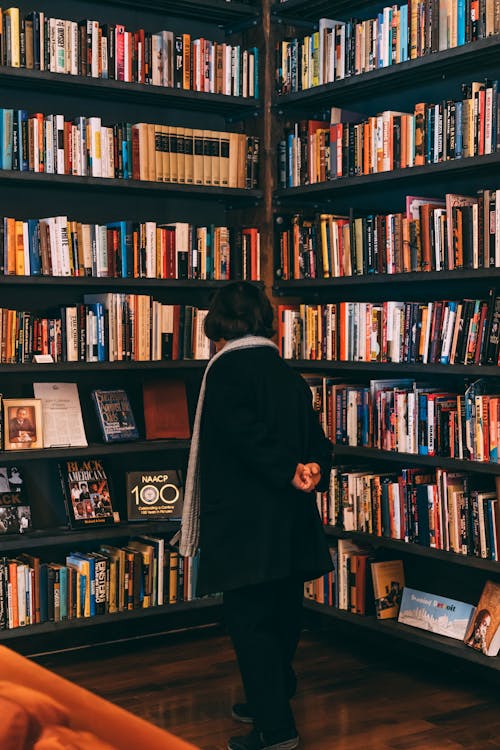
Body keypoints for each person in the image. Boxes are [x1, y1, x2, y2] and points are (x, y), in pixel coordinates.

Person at [180, 281, 333, 750]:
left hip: (247, 523)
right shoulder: (285, 371)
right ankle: (273, 695)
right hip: (290, 520)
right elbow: (318, 439)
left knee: (248, 620)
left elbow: (244, 436)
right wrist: (313, 470)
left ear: (219, 321)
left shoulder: (224, 370)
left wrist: (290, 469)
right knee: (284, 611)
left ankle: (276, 729)